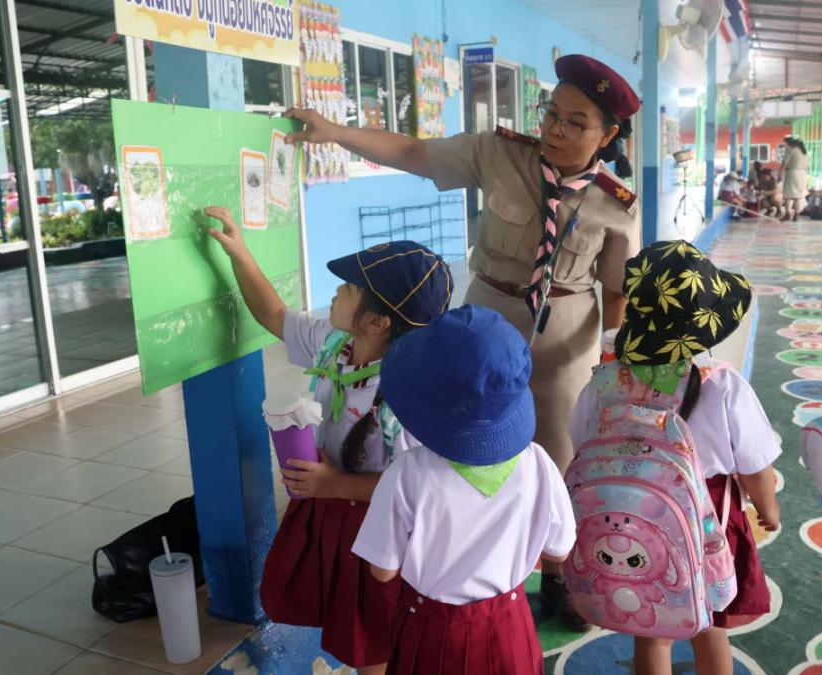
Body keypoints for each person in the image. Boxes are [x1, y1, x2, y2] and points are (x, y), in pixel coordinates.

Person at [284, 53, 642, 631]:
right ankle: (445, 553)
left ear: (607, 135)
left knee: (555, 452)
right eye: (552, 113)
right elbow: (414, 152)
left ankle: (556, 573)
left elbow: (616, 290)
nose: (555, 128)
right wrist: (337, 134)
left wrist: (608, 353)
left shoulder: (616, 205)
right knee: (454, 439)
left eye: (575, 123)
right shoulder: (500, 154)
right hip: (484, 322)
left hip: (564, 340)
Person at [205, 207, 452, 675]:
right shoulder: (335, 343)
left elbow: (416, 486)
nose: (338, 289)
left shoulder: (406, 395)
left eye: (350, 287)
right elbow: (273, 314)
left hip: (381, 528)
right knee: (345, 614)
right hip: (332, 509)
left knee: (374, 636)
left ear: (376, 322)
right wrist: (239, 254)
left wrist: (335, 483)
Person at [569, 240, 782, 675]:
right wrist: (768, 508)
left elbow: (582, 444)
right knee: (710, 626)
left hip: (631, 519)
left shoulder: (604, 383)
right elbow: (755, 467)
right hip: (708, 519)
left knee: (651, 629)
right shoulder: (721, 385)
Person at [352, 305, 576, 674]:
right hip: (510, 629)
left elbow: (382, 571)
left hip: (433, 632)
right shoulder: (538, 463)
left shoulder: (407, 473)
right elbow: (560, 549)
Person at [780, 136, 808, 221]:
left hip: (792, 173)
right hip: (802, 174)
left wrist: (779, 174)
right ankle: (796, 215)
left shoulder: (790, 150)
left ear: (789, 143)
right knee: (797, 196)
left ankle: (787, 213)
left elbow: (784, 163)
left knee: (787, 195)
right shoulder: (804, 152)